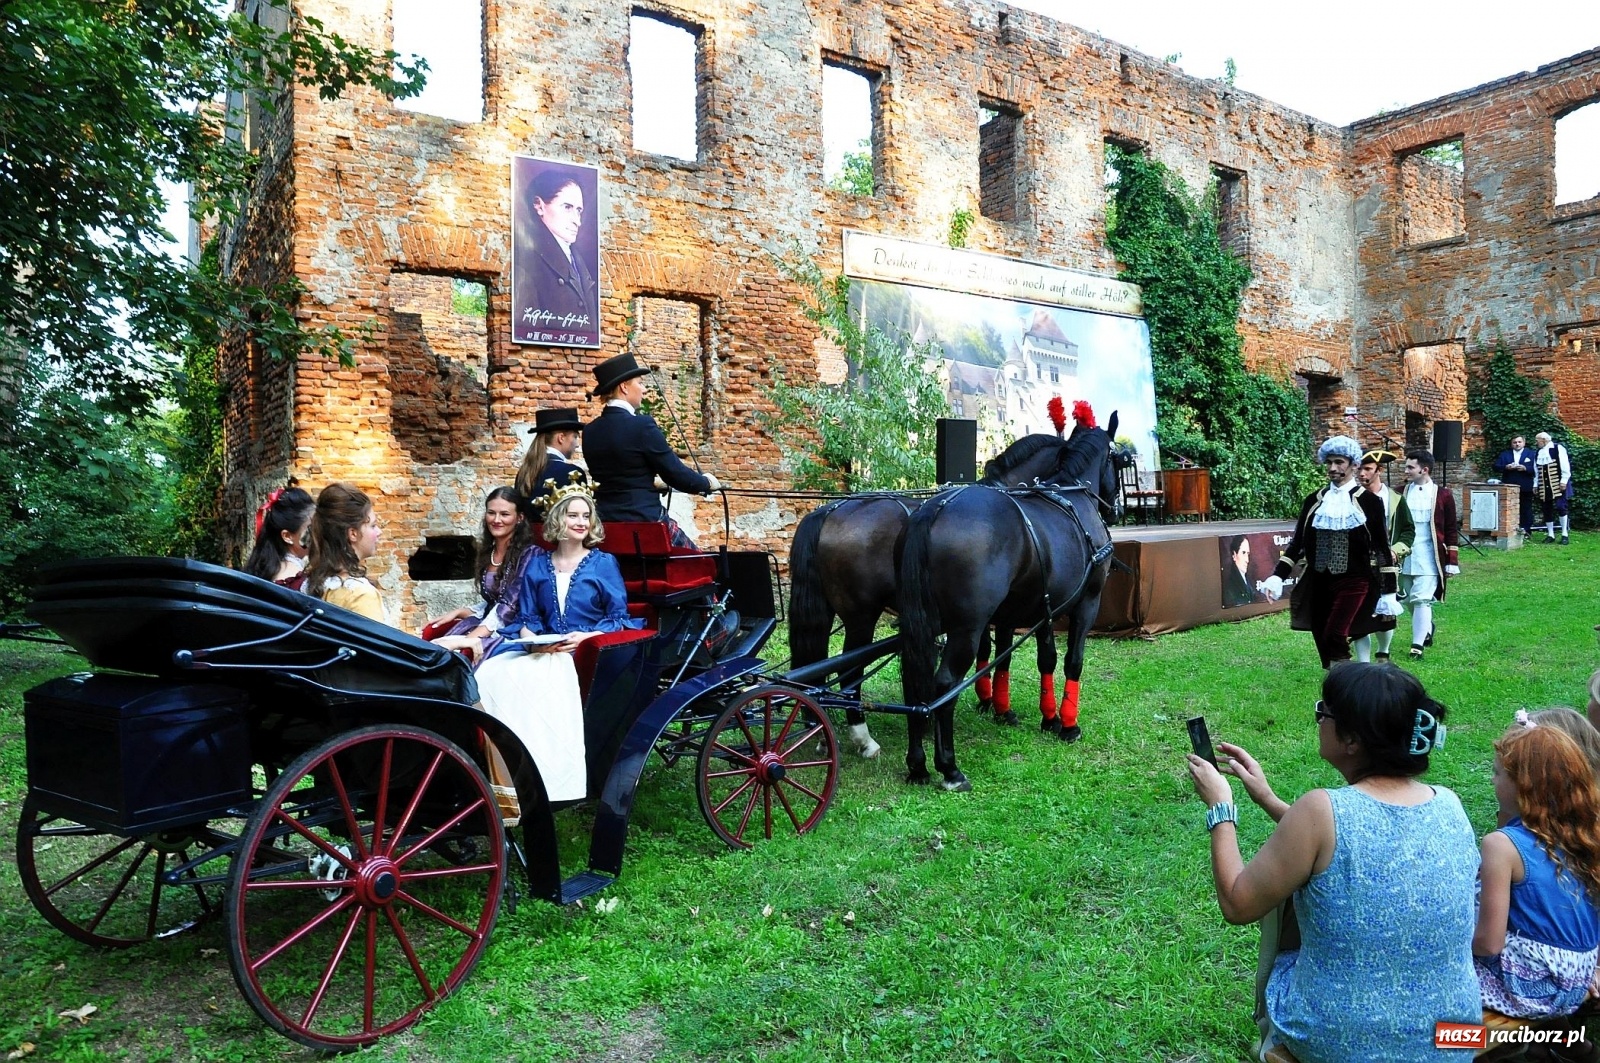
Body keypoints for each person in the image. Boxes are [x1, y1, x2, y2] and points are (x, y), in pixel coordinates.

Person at [1186, 662, 1479, 1063]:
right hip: (1453, 1035)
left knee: (1289, 932)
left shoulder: (1321, 810)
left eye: (1324, 711)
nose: (1319, 718)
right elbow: (1357, 843)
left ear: (1352, 739)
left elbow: (1238, 904)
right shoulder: (1449, 803)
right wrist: (1268, 799)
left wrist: (1221, 808)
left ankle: (1274, 1043)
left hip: (1342, 1039)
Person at [473, 486, 642, 803]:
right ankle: (503, 773)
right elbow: (528, 616)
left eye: (585, 516)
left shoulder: (602, 563)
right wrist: (533, 642)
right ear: (556, 519)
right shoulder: (538, 564)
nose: (580, 522)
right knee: (492, 674)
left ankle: (555, 780)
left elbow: (618, 617)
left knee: (542, 677)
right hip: (543, 646)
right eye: (572, 514)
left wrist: (585, 637)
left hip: (582, 646)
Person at [1474, 719, 1600, 1019]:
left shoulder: (1501, 845)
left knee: (1434, 976)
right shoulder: (1584, 831)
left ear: (1523, 786)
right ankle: (1565, 1046)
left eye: (1497, 773)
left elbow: (1489, 944)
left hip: (1532, 985)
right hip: (1580, 975)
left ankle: (1456, 1044)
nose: (1492, 781)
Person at [1261, 436, 1400, 669]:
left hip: (1355, 581)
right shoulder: (1314, 501)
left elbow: (1381, 548)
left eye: (1339, 462)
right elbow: (1297, 544)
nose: (1333, 468)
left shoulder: (1369, 502)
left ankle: (1345, 684)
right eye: (1329, 462)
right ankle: (1336, 682)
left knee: (1336, 633)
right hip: (1319, 581)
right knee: (1322, 635)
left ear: (1353, 465)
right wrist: (1277, 576)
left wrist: (1389, 592)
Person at [582, 352, 720, 548]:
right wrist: (706, 483)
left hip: (605, 525)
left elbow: (620, 473)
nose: (644, 389)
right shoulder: (642, 425)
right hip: (644, 522)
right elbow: (675, 474)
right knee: (703, 564)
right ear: (624, 387)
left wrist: (650, 482)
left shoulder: (590, 431)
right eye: (639, 383)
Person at [425, 487, 533, 662]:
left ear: (519, 518)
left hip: (512, 629)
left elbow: (509, 605)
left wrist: (471, 638)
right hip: (488, 622)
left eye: (505, 514)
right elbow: (493, 599)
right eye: (491, 513)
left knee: (455, 657)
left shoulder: (529, 555)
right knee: (434, 642)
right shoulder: (487, 552)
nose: (496, 520)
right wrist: (462, 611)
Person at [1389, 449, 1460, 661]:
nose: (1406, 470)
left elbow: (1450, 529)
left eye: (1410, 467)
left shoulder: (1443, 495)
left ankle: (1417, 645)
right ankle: (1427, 625)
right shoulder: (1399, 492)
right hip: (1403, 553)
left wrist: (1451, 561)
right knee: (1408, 598)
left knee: (1422, 599)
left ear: (1424, 469)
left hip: (1430, 554)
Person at [516, 170, 598, 335]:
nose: (577, 221)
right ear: (539, 206)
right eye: (567, 207)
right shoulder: (527, 262)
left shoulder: (577, 260)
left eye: (579, 210)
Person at [303, 483, 387, 624]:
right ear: (353, 533)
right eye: (373, 526)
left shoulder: (310, 584)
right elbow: (376, 645)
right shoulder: (361, 595)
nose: (379, 532)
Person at [1351, 450, 1403, 663]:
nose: (1362, 473)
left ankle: (1383, 652)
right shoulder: (1351, 497)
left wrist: (1396, 550)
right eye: (1360, 469)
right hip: (1360, 566)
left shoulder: (1395, 499)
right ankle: (1363, 663)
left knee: (1384, 615)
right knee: (1360, 615)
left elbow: (1408, 530)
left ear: (1378, 471)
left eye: (1368, 469)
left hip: (1384, 563)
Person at [514, 407, 588, 523]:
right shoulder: (572, 473)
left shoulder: (524, 472)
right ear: (561, 438)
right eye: (575, 437)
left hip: (528, 539)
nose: (577, 445)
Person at [243, 485, 314, 589]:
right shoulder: (297, 582)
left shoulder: (264, 568)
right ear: (287, 536)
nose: (319, 534)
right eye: (311, 529)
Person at [1534, 431, 1574, 545]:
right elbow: (1537, 470)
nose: (1536, 442)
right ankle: (1550, 534)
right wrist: (1535, 484)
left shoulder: (1557, 448)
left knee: (1561, 507)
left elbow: (1565, 465)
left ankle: (1564, 534)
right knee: (1546, 509)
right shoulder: (1538, 452)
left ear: (1544, 440)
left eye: (1538, 440)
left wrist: (1564, 481)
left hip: (1558, 484)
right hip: (1543, 485)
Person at [1493, 434, 1537, 537]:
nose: (1517, 444)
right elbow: (1496, 467)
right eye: (1515, 442)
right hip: (1509, 486)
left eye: (1519, 442)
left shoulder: (1531, 454)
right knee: (1508, 508)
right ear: (1511, 444)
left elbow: (1537, 469)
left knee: (1526, 509)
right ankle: (1510, 530)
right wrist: (1506, 467)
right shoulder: (1505, 454)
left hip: (1525, 486)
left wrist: (1526, 468)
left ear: (1524, 443)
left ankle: (1526, 531)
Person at [1222, 534, 1255, 607]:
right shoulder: (1230, 586)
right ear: (1234, 555)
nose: (1247, 560)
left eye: (1248, 554)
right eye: (1243, 553)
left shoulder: (1247, 580)